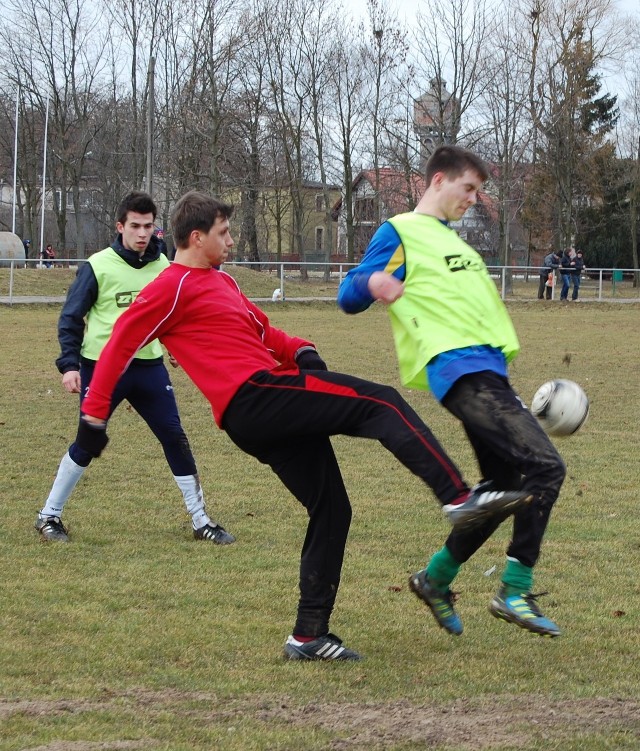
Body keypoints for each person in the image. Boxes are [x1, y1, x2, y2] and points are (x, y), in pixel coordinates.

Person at [78, 190, 531, 661]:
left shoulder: (222, 283)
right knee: (382, 403)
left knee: (333, 510)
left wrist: (301, 349)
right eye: (223, 233)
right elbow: (120, 343)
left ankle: (308, 635)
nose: (231, 240)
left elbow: (264, 332)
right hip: (256, 396)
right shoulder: (170, 285)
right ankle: (458, 498)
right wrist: (94, 415)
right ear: (196, 237)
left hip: (260, 407)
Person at [338, 145, 566, 638]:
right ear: (438, 180)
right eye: (469, 188)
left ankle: (435, 579)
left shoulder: (458, 247)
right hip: (458, 371)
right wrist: (375, 281)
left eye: (479, 191)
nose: (474, 199)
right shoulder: (400, 230)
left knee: (500, 493)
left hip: (488, 376)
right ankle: (514, 590)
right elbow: (349, 292)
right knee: (546, 468)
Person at [35, 191, 235, 547]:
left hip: (148, 369)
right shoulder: (98, 266)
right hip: (101, 369)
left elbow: (175, 316)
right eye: (135, 226)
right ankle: (49, 515)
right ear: (120, 226)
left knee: (174, 437)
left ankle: (201, 519)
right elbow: (70, 318)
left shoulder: (166, 268)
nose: (142, 233)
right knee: (87, 442)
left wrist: (176, 348)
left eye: (148, 226)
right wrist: (69, 365)